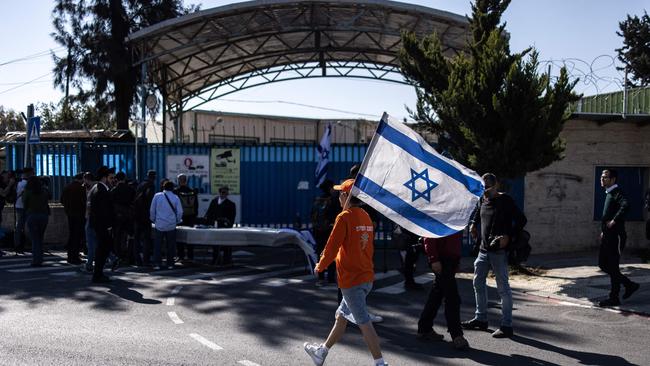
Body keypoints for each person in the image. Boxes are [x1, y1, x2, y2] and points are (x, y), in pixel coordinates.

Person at [303, 179, 388, 366]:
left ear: (346, 196)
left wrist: (320, 266)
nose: (338, 196)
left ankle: (380, 363)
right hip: (365, 277)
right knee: (341, 318)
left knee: (363, 322)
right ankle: (321, 352)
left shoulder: (344, 217)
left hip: (351, 280)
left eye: (341, 193)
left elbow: (331, 247)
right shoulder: (365, 216)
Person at [462, 173, 527, 338]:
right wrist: (472, 225)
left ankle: (507, 325)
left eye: (488, 188)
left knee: (503, 288)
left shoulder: (506, 201)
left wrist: (509, 236)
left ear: (496, 185)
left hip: (498, 252)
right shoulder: (482, 199)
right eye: (483, 188)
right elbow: (477, 213)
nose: (486, 191)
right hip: (483, 250)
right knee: (478, 283)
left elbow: (521, 220)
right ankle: (481, 319)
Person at [417, 232, 469, 350]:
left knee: (436, 295)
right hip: (442, 259)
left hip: (449, 259)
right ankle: (457, 335)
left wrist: (456, 260)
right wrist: (433, 258)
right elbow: (429, 234)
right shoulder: (440, 213)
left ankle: (424, 328)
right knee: (453, 298)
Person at [597, 169, 640, 307]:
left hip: (616, 236)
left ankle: (614, 297)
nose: (602, 179)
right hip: (608, 235)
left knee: (613, 267)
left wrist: (614, 221)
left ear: (613, 179)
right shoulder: (609, 193)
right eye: (601, 177)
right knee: (603, 264)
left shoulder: (616, 192)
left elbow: (626, 205)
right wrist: (604, 231)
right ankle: (629, 284)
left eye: (605, 177)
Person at [310, 178, 341, 285]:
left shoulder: (317, 200)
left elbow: (312, 215)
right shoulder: (333, 200)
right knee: (331, 254)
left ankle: (321, 277)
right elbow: (337, 216)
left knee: (320, 254)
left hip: (318, 231)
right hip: (329, 231)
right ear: (329, 188)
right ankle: (331, 278)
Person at [88, 166, 115, 283]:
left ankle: (98, 273)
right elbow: (104, 211)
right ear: (105, 177)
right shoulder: (101, 190)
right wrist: (108, 226)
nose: (112, 180)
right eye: (110, 177)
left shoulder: (96, 188)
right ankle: (98, 274)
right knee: (102, 249)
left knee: (102, 249)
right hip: (102, 225)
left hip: (98, 224)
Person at [150, 180, 183, 270]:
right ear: (172, 188)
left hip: (159, 224)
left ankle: (157, 263)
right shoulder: (175, 197)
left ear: (163, 187)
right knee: (170, 245)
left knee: (158, 245)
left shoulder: (157, 196)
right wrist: (177, 220)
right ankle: (170, 264)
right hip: (171, 225)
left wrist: (153, 220)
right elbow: (180, 212)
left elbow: (152, 210)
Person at [205, 185, 236, 265]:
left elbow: (232, 217)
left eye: (226, 193)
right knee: (215, 244)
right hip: (214, 226)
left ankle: (226, 260)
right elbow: (209, 213)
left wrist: (229, 225)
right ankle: (215, 259)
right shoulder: (214, 201)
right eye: (222, 192)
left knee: (226, 244)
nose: (224, 194)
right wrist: (209, 223)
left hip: (225, 227)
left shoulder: (231, 204)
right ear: (219, 193)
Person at [23, 176, 50, 266]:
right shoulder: (44, 191)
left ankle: (36, 260)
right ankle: (40, 258)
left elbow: (24, 204)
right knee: (40, 238)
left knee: (35, 239)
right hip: (44, 216)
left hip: (32, 215)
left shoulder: (28, 192)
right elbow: (48, 199)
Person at [110, 172, 136, 266]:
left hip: (117, 216)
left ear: (117, 179)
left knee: (117, 237)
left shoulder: (114, 190)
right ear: (124, 178)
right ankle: (129, 256)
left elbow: (110, 203)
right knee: (130, 236)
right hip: (128, 215)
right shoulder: (131, 189)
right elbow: (134, 201)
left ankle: (119, 256)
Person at [60, 173, 86, 265]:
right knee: (77, 236)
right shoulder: (81, 188)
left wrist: (68, 208)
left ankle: (70, 255)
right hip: (79, 215)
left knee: (72, 235)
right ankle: (74, 257)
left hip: (70, 214)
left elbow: (62, 200)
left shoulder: (67, 187)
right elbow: (84, 202)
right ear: (81, 179)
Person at [134, 170, 157, 266]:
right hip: (145, 215)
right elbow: (149, 201)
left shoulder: (141, 184)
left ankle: (137, 259)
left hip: (136, 215)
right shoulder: (151, 185)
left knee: (137, 238)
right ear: (154, 177)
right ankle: (146, 260)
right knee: (146, 238)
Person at [174, 174, 199, 261]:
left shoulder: (176, 191)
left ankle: (181, 256)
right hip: (191, 217)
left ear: (178, 181)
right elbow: (196, 206)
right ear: (186, 181)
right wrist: (194, 216)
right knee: (190, 237)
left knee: (180, 237)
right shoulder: (192, 191)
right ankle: (190, 256)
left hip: (180, 217)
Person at [393, 225, 423, 290]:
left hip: (410, 241)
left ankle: (409, 282)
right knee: (408, 264)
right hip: (407, 243)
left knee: (410, 263)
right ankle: (409, 282)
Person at [14, 167, 34, 254]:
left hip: (19, 206)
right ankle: (23, 244)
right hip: (25, 207)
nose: (33, 174)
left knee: (20, 226)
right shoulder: (26, 183)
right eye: (32, 173)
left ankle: (18, 244)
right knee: (28, 226)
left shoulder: (19, 182)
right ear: (28, 173)